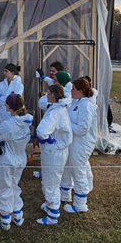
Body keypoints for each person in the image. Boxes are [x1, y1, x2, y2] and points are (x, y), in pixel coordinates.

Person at [0, 94, 33, 230]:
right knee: (14, 186)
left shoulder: (9, 125)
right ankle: (18, 215)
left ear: (9, 106)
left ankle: (5, 221)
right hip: (20, 159)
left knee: (4, 189)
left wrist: (2, 139)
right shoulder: (26, 122)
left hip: (7, 160)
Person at [35, 84, 72, 225]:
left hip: (54, 152)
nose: (46, 95)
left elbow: (42, 131)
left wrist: (46, 140)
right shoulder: (59, 108)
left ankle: (53, 215)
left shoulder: (55, 112)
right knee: (51, 180)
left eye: (48, 93)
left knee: (51, 183)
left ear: (53, 95)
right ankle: (50, 204)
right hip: (58, 150)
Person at [59, 78, 97, 213]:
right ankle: (65, 195)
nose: (71, 91)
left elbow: (83, 129)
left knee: (78, 171)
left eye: (73, 89)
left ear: (81, 91)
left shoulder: (86, 105)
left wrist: (67, 126)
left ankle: (80, 204)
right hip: (73, 142)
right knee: (67, 167)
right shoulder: (77, 101)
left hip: (82, 144)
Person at [0, 63, 24, 127]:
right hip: (1, 115)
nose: (4, 73)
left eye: (6, 71)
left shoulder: (19, 85)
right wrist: (8, 98)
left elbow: (15, 100)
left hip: (12, 114)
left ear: (12, 72)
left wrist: (1, 98)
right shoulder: (0, 85)